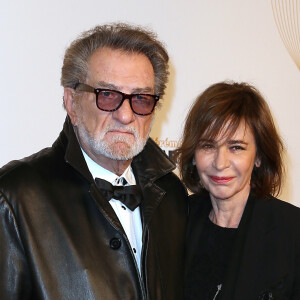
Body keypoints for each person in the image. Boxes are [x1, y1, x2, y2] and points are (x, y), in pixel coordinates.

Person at [0, 23, 188, 300]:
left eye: (141, 98)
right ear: (72, 103)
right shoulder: (15, 196)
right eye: (108, 95)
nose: (125, 115)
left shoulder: (171, 194)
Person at [176, 81, 300, 299]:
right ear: (194, 154)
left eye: (236, 147)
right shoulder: (175, 220)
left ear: (259, 156)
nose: (220, 162)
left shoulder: (293, 230)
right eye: (208, 145)